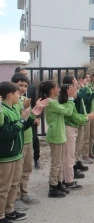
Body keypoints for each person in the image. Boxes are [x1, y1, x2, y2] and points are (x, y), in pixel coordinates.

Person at [0, 81, 46, 222]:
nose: (19, 95)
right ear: (10, 95)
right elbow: (6, 133)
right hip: (6, 156)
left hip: (16, 154)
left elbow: (22, 127)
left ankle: (9, 210)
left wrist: (32, 115)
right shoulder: (2, 111)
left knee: (14, 185)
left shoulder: (13, 108)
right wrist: (21, 119)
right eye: (16, 93)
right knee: (3, 188)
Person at [39, 81, 77, 198]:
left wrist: (70, 99)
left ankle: (58, 183)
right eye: (57, 87)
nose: (59, 89)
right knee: (56, 163)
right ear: (51, 90)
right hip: (55, 136)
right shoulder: (50, 102)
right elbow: (68, 111)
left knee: (59, 162)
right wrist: (70, 98)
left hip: (59, 135)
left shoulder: (53, 102)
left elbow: (64, 108)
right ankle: (53, 187)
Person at [59, 83, 94, 190]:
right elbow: (76, 119)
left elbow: (76, 116)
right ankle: (68, 181)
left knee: (67, 156)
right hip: (69, 131)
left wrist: (87, 116)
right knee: (69, 157)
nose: (76, 92)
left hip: (69, 130)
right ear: (68, 92)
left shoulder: (67, 103)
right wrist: (88, 117)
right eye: (73, 90)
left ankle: (65, 179)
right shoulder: (68, 103)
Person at [11, 74, 40, 212]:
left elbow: (27, 122)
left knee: (27, 169)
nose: (23, 88)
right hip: (18, 141)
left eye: (25, 86)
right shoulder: (13, 101)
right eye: (20, 85)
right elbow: (18, 120)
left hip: (28, 139)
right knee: (17, 172)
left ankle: (24, 193)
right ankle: (15, 198)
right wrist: (24, 107)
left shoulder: (24, 100)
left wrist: (35, 114)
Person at [63, 75, 90, 178]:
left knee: (79, 144)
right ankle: (72, 168)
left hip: (79, 119)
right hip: (75, 122)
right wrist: (83, 86)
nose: (77, 83)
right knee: (74, 147)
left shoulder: (75, 92)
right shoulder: (70, 94)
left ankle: (77, 162)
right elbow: (82, 95)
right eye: (74, 81)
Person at [14, 67, 41, 169]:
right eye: (23, 74)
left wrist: (36, 116)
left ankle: (37, 159)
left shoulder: (31, 88)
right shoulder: (11, 99)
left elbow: (34, 102)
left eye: (26, 74)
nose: (23, 88)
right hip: (20, 128)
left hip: (31, 118)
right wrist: (23, 108)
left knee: (35, 139)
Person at [81, 73, 94, 164]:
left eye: (89, 77)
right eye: (86, 77)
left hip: (92, 113)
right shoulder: (83, 89)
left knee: (92, 133)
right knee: (86, 135)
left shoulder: (90, 88)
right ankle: (85, 154)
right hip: (87, 114)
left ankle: (90, 152)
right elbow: (87, 100)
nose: (88, 78)